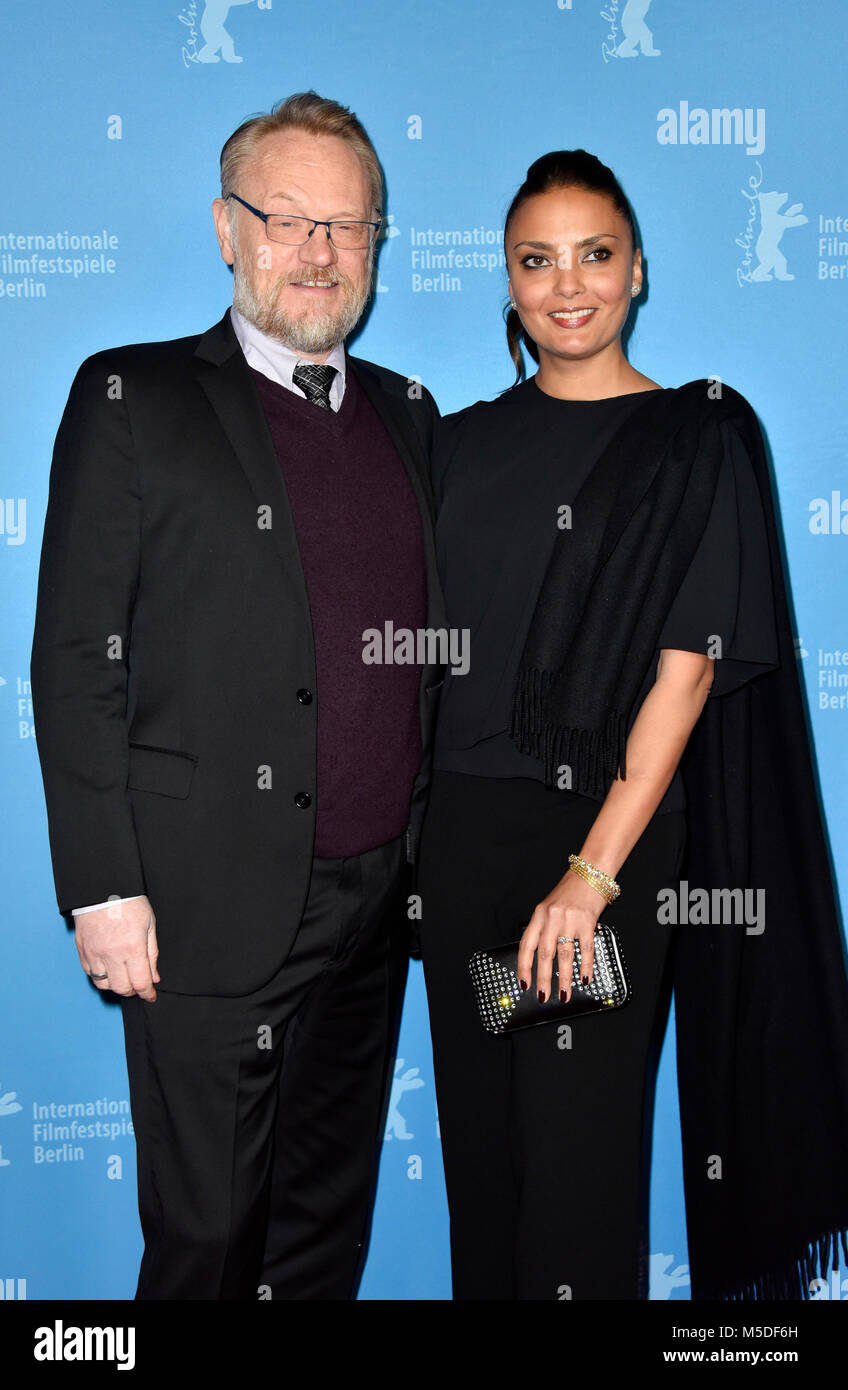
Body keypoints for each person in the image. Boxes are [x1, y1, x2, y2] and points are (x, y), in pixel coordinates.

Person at [30, 91, 443, 1301]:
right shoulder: (132, 399)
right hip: (202, 908)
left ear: (378, 244)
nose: (318, 252)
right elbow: (74, 659)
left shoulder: (414, 416)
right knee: (208, 1244)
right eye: (286, 218)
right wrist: (103, 884)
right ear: (226, 227)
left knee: (322, 1235)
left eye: (348, 226)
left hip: (374, 909)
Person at [417, 150, 848, 1301]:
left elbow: (687, 677)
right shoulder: (450, 447)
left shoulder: (695, 437)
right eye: (537, 260)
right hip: (461, 850)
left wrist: (590, 875)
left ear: (639, 270)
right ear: (506, 283)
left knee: (580, 1179)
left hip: (602, 844)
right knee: (490, 1178)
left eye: (595, 254)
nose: (569, 284)